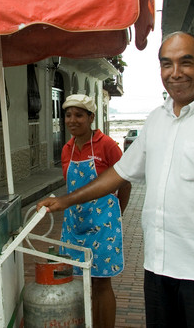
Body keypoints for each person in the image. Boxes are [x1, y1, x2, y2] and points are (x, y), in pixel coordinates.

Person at [38, 32, 194, 327]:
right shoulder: (157, 120)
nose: (175, 73)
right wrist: (64, 201)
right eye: (166, 64)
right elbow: (119, 174)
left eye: (186, 62)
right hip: (158, 269)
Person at [58, 94, 132, 328]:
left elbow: (125, 180)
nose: (73, 120)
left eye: (79, 115)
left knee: (101, 283)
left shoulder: (107, 145)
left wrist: (117, 212)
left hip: (102, 226)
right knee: (80, 282)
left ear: (91, 117)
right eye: (68, 115)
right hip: (75, 224)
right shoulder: (66, 149)